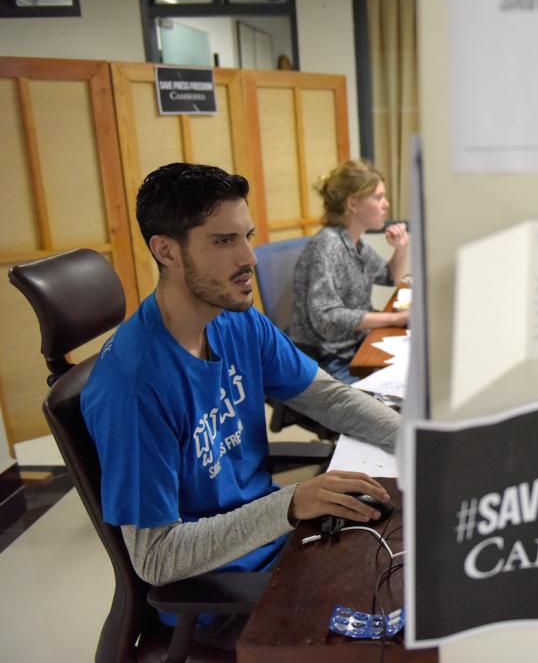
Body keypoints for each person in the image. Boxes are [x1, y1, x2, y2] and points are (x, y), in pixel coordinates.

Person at [80, 162, 399, 642]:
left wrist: (417, 438)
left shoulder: (236, 320)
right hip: (224, 596)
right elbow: (156, 557)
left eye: (246, 236)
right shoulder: (132, 385)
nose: (249, 257)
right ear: (166, 250)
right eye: (224, 241)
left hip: (281, 545)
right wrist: (289, 505)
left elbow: (327, 397)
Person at [290, 159, 409, 382]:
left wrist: (401, 248)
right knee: (394, 405)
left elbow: (389, 277)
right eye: (378, 197)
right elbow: (326, 317)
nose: (386, 204)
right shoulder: (328, 245)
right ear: (353, 203)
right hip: (326, 359)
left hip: (353, 345)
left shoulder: (354, 242)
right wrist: (392, 319)